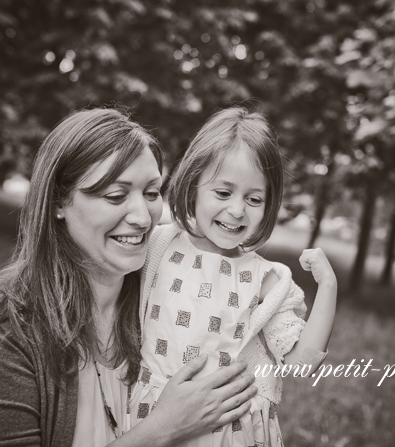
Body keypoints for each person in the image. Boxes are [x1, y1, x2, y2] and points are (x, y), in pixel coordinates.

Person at [0, 108, 257, 446]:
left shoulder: (165, 301)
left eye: (151, 193)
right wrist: (164, 429)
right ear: (58, 201)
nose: (142, 217)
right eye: (115, 196)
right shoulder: (3, 327)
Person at [130, 107, 338, 446]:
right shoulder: (159, 245)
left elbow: (301, 365)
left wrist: (328, 287)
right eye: (223, 193)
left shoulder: (268, 280)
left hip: (228, 432)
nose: (238, 210)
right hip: (154, 419)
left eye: (254, 199)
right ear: (193, 184)